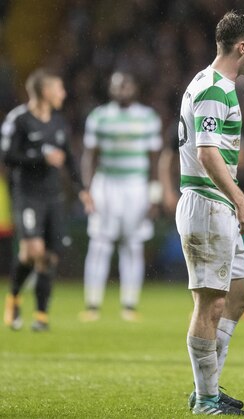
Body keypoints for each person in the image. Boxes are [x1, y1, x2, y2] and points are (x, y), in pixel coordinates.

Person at [176, 11, 244, 416]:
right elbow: (207, 152)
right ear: (241, 47)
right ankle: (205, 399)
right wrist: (242, 200)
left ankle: (207, 388)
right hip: (208, 204)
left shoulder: (212, 83)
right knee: (209, 304)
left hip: (218, 205)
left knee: (239, 295)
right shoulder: (215, 88)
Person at [1, 68, 93, 331]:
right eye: (59, 88)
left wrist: (82, 189)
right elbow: (7, 157)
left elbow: (70, 159)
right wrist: (40, 158)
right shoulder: (18, 120)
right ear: (45, 91)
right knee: (33, 252)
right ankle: (14, 297)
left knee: (50, 257)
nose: (63, 93)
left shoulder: (58, 121)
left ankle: (41, 316)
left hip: (53, 197)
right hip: (27, 195)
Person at [79, 72, 162, 322]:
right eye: (117, 86)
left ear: (135, 88)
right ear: (110, 89)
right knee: (100, 244)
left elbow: (154, 159)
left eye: (126, 85)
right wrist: (88, 189)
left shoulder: (148, 117)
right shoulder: (99, 116)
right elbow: (89, 156)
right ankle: (92, 304)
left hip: (136, 185)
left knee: (133, 245)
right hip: (107, 184)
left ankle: (129, 304)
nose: (122, 90)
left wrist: (154, 194)